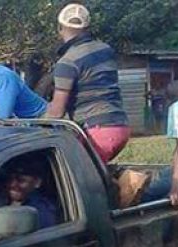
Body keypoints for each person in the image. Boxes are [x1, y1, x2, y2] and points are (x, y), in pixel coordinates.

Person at [45, 3, 130, 163]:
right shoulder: (106, 50)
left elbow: (56, 112)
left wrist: (39, 123)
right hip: (121, 126)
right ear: (87, 26)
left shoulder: (67, 62)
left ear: (60, 27)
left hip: (96, 131)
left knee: (75, 179)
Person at [0, 160, 57, 230]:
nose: (12, 184)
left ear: (37, 182)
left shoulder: (41, 210)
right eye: (10, 179)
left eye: (21, 180)